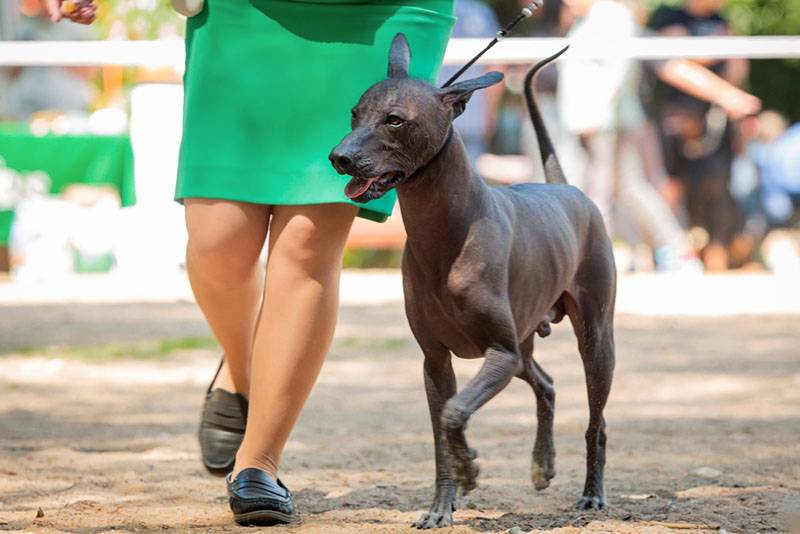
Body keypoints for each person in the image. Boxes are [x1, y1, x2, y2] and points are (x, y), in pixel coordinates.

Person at [46, 0, 455, 526]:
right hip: (243, 17)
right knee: (219, 241)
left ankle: (258, 463)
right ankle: (243, 373)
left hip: (380, 18)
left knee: (309, 245)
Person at [557, 0, 760, 270]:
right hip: (606, 119)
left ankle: (596, 262)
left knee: (599, 191)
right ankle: (675, 250)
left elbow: (619, 71)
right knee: (630, 188)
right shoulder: (608, 17)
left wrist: (594, 113)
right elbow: (667, 63)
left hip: (602, 120)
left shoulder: (610, 17)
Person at [648, 0, 752, 269]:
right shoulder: (667, 15)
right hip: (677, 117)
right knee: (671, 186)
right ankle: (662, 251)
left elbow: (737, 65)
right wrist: (722, 49)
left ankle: (717, 256)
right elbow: (677, 57)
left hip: (715, 119)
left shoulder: (721, 19)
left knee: (718, 187)